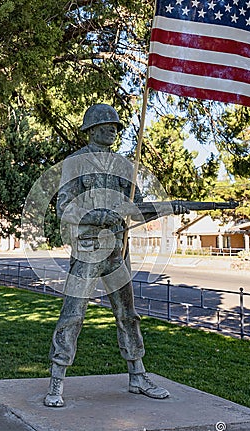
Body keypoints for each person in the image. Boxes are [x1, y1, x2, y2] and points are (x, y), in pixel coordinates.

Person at [44, 104, 175, 407]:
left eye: (116, 126)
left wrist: (164, 208)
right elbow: (65, 209)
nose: (114, 130)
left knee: (128, 315)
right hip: (88, 249)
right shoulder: (75, 163)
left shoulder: (124, 165)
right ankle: (56, 380)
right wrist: (100, 215)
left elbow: (136, 207)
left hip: (118, 250)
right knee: (72, 315)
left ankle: (138, 375)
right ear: (92, 129)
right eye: (108, 125)